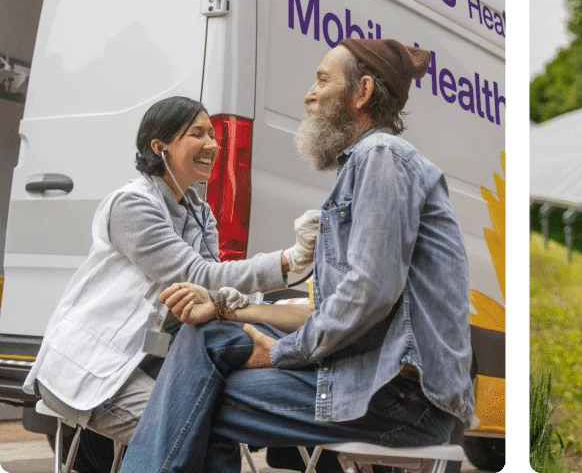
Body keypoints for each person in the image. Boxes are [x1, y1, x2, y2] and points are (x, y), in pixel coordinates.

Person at [118, 37, 473, 473]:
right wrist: (231, 310)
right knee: (205, 334)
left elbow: (368, 294)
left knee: (192, 395)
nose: (310, 94)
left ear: (361, 92)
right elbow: (332, 310)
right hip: (380, 385)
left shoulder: (381, 157)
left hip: (397, 400)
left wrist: (280, 353)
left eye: (322, 80)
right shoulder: (368, 163)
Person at [24, 98, 318, 446]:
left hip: (148, 365)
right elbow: (197, 275)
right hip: (89, 369)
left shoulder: (200, 212)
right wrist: (291, 260)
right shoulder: (132, 205)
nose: (212, 143)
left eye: (212, 133)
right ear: (159, 147)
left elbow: (212, 284)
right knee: (191, 437)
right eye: (197, 134)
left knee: (222, 426)